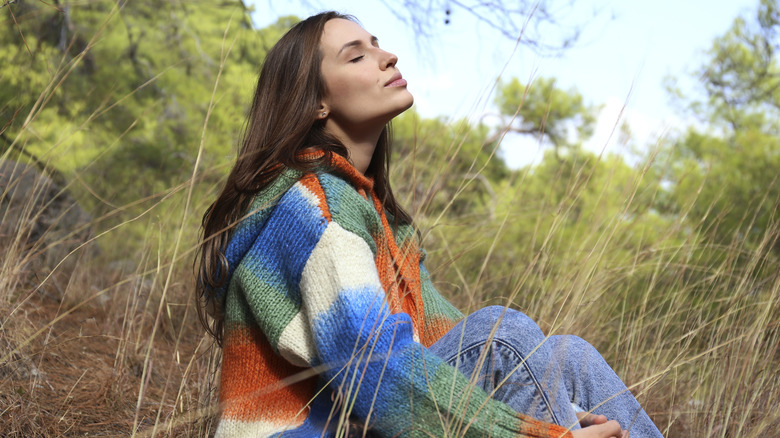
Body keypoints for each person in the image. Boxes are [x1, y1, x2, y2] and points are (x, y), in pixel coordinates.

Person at [196, 11, 664, 438]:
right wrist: (534, 433)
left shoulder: (379, 218)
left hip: (363, 424)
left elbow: (443, 345)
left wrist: (548, 405)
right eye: (357, 55)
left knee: (568, 357)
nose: (387, 56)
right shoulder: (315, 203)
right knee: (505, 335)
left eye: (377, 44)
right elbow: (371, 365)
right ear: (316, 102)